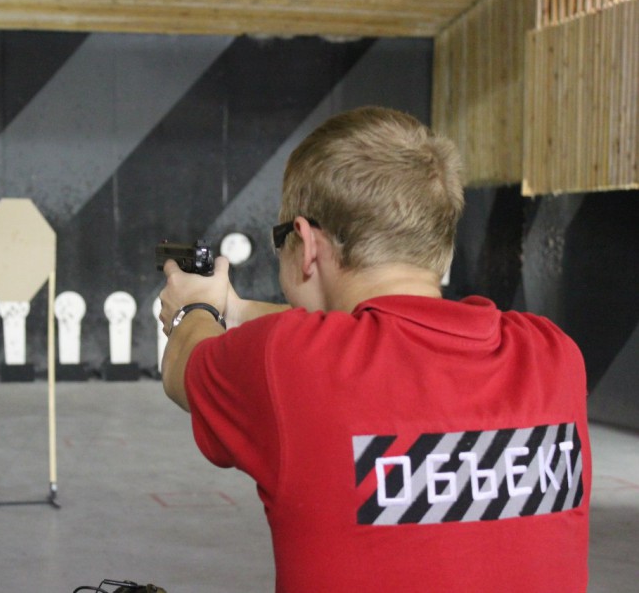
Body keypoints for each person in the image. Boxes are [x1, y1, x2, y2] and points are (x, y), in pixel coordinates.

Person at [157, 106, 591, 592]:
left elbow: (182, 364)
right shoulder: (554, 356)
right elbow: (392, 339)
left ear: (307, 244)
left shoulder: (287, 362)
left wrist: (193, 307)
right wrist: (235, 310)